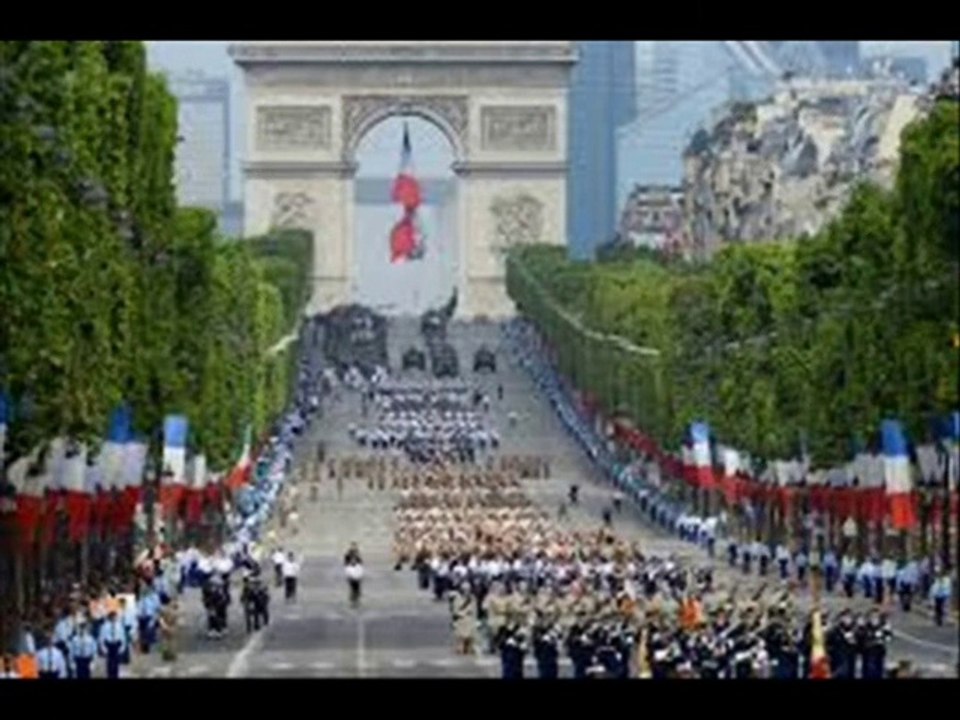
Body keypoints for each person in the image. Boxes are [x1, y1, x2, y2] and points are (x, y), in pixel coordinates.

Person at [99, 608, 127, 680]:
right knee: (109, 663)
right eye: (112, 617)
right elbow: (101, 638)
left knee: (116, 663)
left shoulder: (119, 626)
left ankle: (115, 675)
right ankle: (110, 675)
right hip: (109, 645)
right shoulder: (105, 626)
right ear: (110, 617)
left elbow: (123, 637)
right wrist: (103, 648)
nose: (114, 618)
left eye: (115, 617)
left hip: (116, 645)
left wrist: (122, 647)